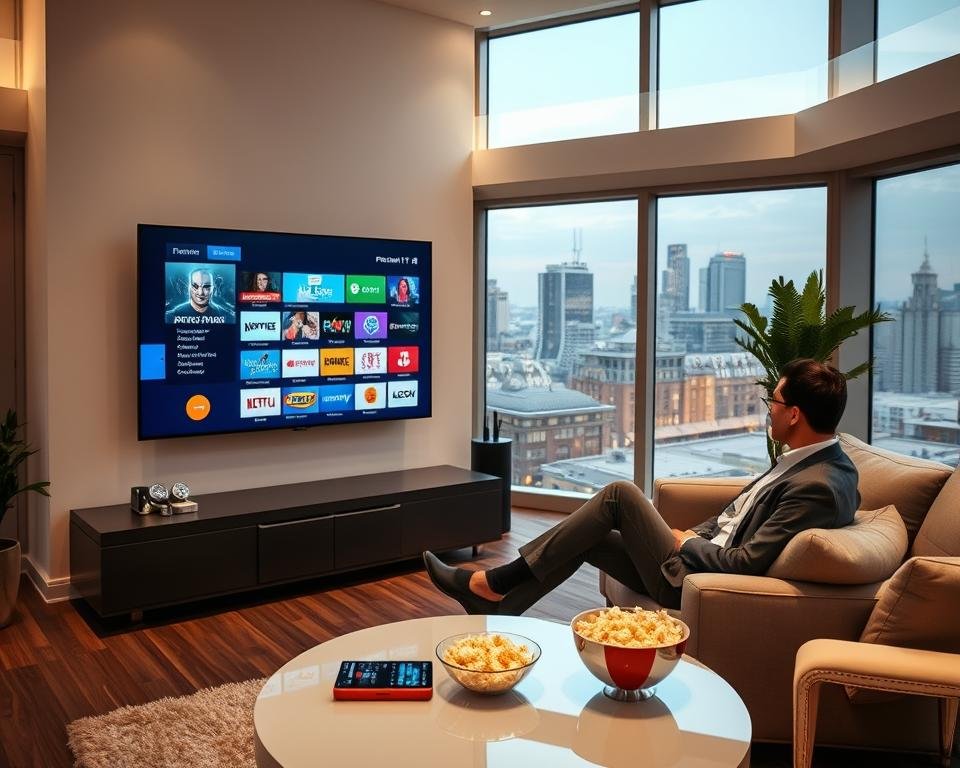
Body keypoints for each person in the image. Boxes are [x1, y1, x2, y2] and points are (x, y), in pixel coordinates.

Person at [424, 358, 860, 615]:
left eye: (774, 402)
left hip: (693, 580)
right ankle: (501, 603)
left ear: (795, 414)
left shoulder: (818, 485)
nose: (769, 411)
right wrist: (695, 534)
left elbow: (745, 563)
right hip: (693, 558)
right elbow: (734, 517)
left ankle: (493, 582)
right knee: (589, 537)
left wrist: (686, 542)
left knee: (620, 494)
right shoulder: (809, 462)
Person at [165, 267, 234, 321]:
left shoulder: (227, 316)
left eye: (206, 286)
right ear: (189, 288)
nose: (200, 292)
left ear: (213, 289)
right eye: (195, 286)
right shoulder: (171, 317)